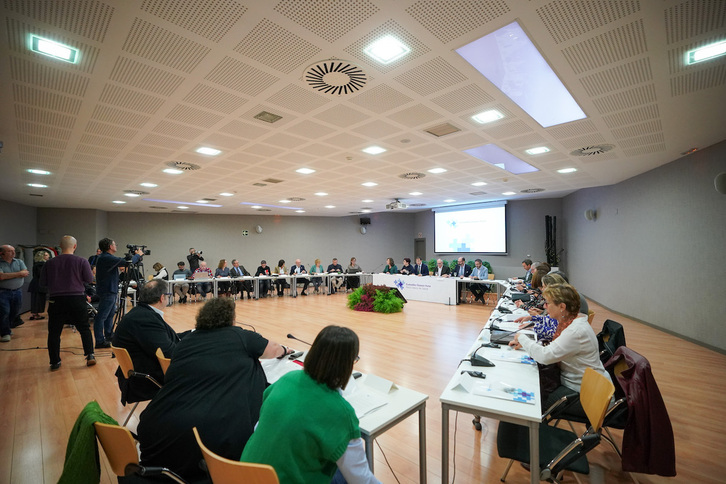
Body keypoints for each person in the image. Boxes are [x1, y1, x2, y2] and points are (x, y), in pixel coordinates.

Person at [137, 297, 292, 481]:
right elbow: (273, 349)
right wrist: (285, 349)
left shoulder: (185, 343)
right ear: (231, 319)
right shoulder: (240, 336)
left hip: (154, 434)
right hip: (209, 445)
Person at [241, 326, 380, 484]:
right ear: (347, 365)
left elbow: (258, 427)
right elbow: (361, 480)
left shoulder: (287, 379)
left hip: (244, 474)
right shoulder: (341, 412)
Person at [510, 283, 611, 417]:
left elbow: (545, 356)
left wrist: (522, 337)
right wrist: (527, 345)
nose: (544, 306)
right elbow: (554, 349)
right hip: (583, 387)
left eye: (548, 303)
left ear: (562, 307)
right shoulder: (571, 323)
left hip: (588, 396)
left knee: (532, 399)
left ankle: (531, 434)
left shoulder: (575, 331)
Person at [112, 279, 188, 402]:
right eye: (168, 295)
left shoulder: (141, 312)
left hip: (141, 369)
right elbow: (168, 354)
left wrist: (192, 334)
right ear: (162, 298)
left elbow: (163, 338)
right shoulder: (145, 319)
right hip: (145, 379)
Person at [39, 236, 95, 369]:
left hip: (56, 300)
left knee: (54, 332)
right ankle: (90, 355)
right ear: (75, 246)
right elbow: (89, 279)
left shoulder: (50, 263)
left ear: (60, 246)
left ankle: (54, 361)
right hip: (76, 298)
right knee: (84, 328)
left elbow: (42, 283)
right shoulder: (81, 261)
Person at [93, 238, 142, 348]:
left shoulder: (106, 258)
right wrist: (138, 255)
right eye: (114, 244)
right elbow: (127, 263)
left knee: (110, 314)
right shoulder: (106, 258)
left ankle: (109, 335)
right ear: (110, 246)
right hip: (108, 291)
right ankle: (100, 341)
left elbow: (123, 262)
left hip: (110, 290)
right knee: (101, 316)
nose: (116, 246)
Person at [0, 245, 29, 342]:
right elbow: (1, 277)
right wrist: (19, 274)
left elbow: (25, 272)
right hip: (3, 291)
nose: (13, 253)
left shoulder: (19, 262)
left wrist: (9, 275)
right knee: (4, 312)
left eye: (13, 251)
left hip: (17, 291)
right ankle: (5, 333)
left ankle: (7, 327)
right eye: (9, 251)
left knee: (15, 311)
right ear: (2, 253)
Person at [28, 250, 50, 320]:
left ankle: (36, 314)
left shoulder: (37, 264)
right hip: (38, 285)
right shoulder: (41, 265)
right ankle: (35, 314)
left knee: (38, 300)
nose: (48, 256)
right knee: (37, 300)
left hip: (37, 284)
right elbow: (41, 275)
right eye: (46, 255)